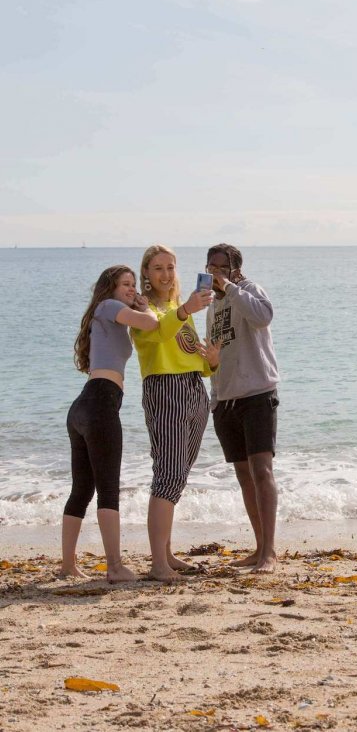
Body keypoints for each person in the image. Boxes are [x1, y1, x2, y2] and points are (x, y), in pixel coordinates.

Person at [61, 265, 159, 582]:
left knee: (82, 490)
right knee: (108, 490)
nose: (131, 289)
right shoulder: (110, 306)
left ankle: (67, 566)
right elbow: (150, 324)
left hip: (83, 408)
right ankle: (114, 567)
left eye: (133, 284)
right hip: (101, 405)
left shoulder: (105, 316)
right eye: (126, 284)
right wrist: (148, 308)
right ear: (110, 288)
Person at [132, 245, 216, 581]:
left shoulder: (176, 308)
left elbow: (191, 355)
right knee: (166, 476)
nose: (166, 274)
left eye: (171, 267)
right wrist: (184, 310)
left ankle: (165, 555)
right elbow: (157, 331)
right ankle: (157, 565)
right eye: (158, 268)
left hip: (194, 388)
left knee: (177, 476)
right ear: (146, 275)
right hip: (165, 390)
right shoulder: (144, 308)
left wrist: (211, 359)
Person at [203, 244, 280, 572]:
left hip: (257, 393)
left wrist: (231, 287)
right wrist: (214, 395)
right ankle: (259, 547)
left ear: (235, 268)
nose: (214, 273)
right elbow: (215, 355)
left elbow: (263, 317)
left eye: (220, 267)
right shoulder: (211, 306)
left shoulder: (248, 290)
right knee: (243, 475)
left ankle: (270, 553)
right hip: (225, 400)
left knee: (262, 471)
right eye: (210, 267)